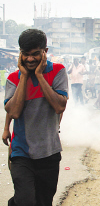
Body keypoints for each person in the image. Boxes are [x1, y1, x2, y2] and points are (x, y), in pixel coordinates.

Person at [2, 29, 68, 206]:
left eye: (35, 54)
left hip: (49, 152)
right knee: (25, 200)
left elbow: (59, 106)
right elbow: (14, 112)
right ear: (20, 53)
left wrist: (39, 75)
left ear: (45, 51)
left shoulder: (58, 71)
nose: (30, 59)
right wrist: (24, 76)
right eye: (25, 54)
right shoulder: (13, 79)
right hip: (21, 153)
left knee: (43, 201)